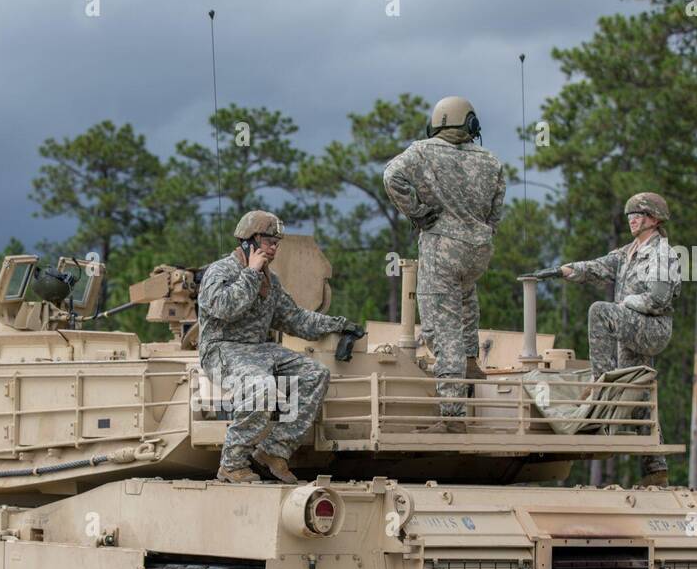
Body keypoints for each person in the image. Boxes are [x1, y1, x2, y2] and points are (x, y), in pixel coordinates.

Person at [197, 210, 362, 483]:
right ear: (248, 240)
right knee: (261, 386)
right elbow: (224, 308)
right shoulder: (221, 271)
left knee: (315, 374)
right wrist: (250, 273)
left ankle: (275, 450)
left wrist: (337, 324)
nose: (273, 247)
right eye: (267, 241)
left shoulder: (270, 281)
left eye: (276, 242)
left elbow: (294, 319)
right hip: (222, 349)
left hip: (259, 349)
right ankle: (232, 463)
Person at [384, 95, 506, 431]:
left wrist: (420, 213)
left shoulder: (424, 151)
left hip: (442, 248)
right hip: (478, 249)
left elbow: (391, 177)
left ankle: (452, 417)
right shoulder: (491, 161)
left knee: (442, 327)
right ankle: (470, 362)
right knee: (466, 301)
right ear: (470, 124)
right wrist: (479, 230)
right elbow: (496, 211)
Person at [557, 191, 680, 487]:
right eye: (629, 216)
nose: (632, 221)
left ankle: (600, 382)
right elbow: (600, 266)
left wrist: (626, 305)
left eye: (637, 215)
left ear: (653, 219)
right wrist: (571, 270)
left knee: (600, 312)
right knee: (634, 390)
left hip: (652, 328)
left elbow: (659, 299)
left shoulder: (663, 254)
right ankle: (656, 469)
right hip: (632, 327)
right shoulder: (628, 252)